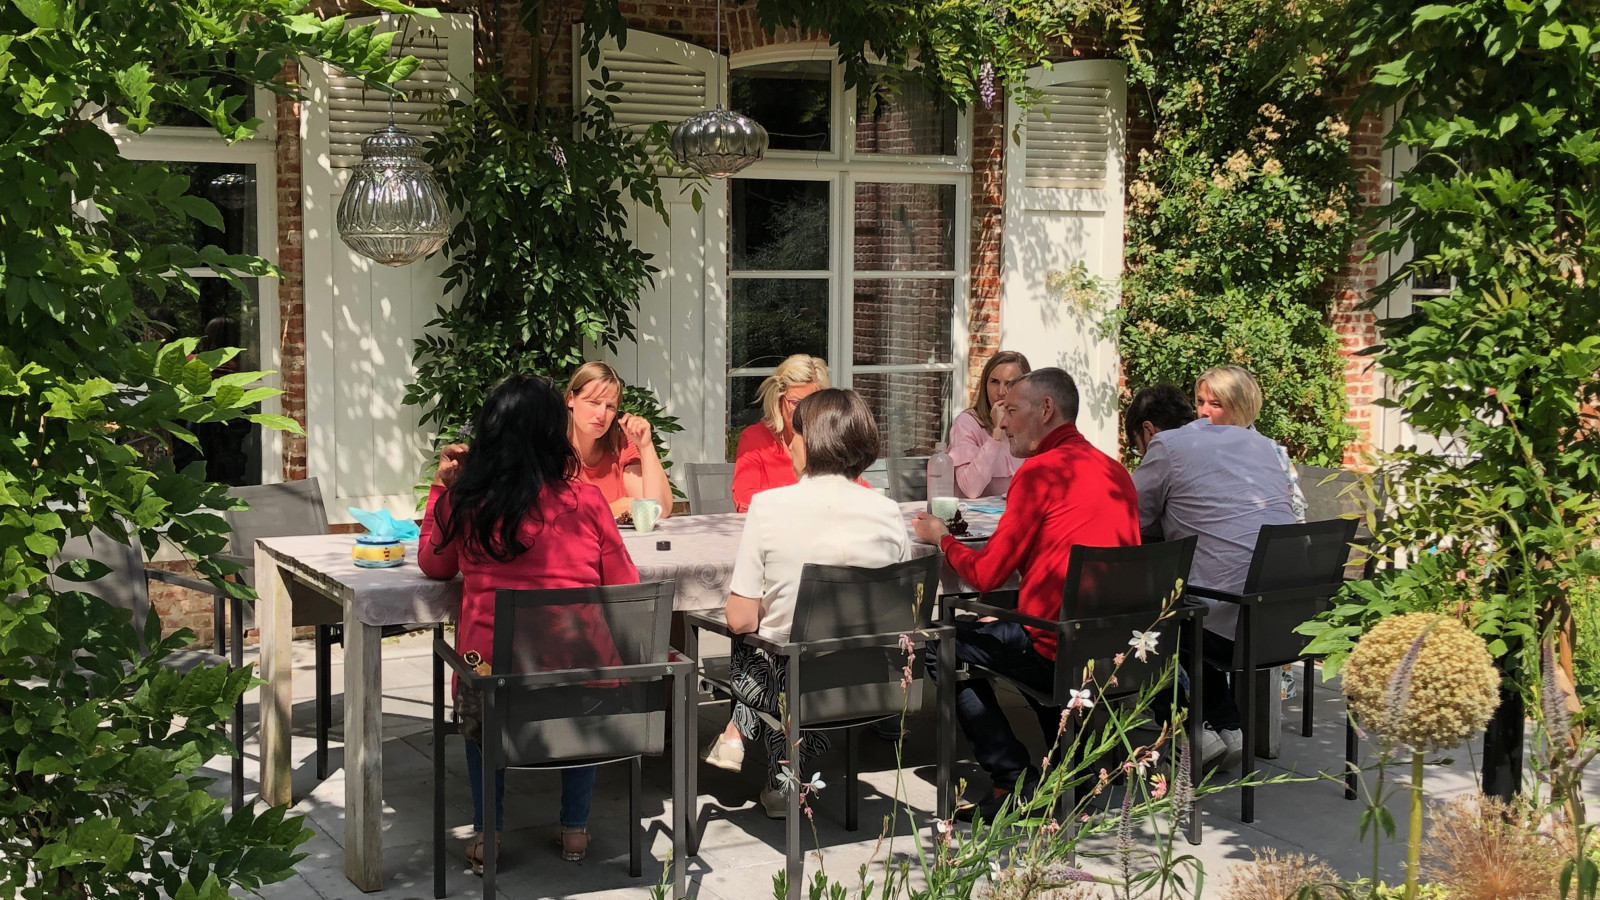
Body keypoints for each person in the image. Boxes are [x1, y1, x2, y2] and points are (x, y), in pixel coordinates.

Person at [420, 374, 640, 871]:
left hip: (492, 677)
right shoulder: (585, 501)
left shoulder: (467, 502)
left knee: (481, 710)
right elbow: (625, 586)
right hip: (576, 677)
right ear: (552, 434)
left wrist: (441, 487)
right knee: (582, 680)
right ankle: (575, 830)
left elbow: (435, 567)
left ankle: (488, 833)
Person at [912, 368, 1140, 822]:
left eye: (1012, 411)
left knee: (941, 642)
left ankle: (1012, 779)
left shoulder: (1039, 473)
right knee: (1006, 626)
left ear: (1046, 410)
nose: (1004, 423)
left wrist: (941, 537)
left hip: (1057, 644)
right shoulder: (1114, 470)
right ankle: (1071, 767)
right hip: (1116, 645)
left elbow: (986, 576)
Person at [714, 389, 909, 818]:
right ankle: (784, 778)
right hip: (874, 683)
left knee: (752, 640)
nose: (788, 442)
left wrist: (766, 611)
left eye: (794, 433)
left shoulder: (768, 507)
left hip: (795, 686)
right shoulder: (889, 511)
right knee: (795, 652)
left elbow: (740, 617)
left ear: (812, 440)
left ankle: (746, 734)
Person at [1125, 384, 1300, 769]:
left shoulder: (1167, 447)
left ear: (1149, 432)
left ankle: (1191, 732)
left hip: (1223, 621)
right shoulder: (1262, 445)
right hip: (1283, 623)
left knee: (1142, 620)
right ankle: (1228, 725)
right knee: (1197, 609)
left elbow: (1128, 519)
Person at [1194, 365, 1306, 522]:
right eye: (1200, 402)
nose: (1204, 411)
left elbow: (1296, 513)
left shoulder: (1270, 451)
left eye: (1216, 404)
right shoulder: (1189, 447)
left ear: (1240, 409)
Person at [565, 361, 674, 519]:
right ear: (571, 400)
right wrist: (609, 509)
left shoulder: (620, 447)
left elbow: (658, 509)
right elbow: (550, 517)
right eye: (593, 402)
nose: (601, 415)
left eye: (610, 407)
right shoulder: (551, 450)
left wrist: (645, 445)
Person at [731, 354, 830, 512]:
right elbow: (745, 500)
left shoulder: (827, 441)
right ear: (778, 399)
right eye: (795, 403)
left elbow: (856, 490)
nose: (802, 412)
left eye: (810, 404)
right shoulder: (755, 440)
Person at [947, 350, 1031, 498]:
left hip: (1015, 514)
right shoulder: (967, 423)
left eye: (1010, 383)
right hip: (973, 517)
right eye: (994, 382)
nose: (1001, 391)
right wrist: (997, 433)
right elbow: (971, 489)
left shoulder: (1029, 424)